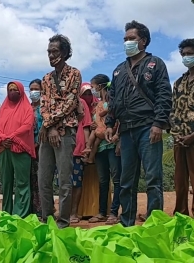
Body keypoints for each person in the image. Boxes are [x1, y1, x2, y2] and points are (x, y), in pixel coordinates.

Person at [105, 20, 172, 227]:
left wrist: (159, 123)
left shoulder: (156, 64)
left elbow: (163, 95)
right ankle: (127, 223)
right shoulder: (118, 70)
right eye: (125, 39)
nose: (127, 42)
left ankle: (154, 224)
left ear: (143, 41)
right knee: (126, 181)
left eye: (131, 38)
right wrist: (109, 123)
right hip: (126, 131)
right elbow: (113, 100)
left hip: (148, 126)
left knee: (152, 177)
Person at [38, 34, 82, 228]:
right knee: (43, 178)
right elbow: (43, 104)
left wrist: (49, 125)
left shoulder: (75, 74)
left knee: (64, 179)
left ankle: (63, 221)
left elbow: (71, 103)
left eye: (54, 51)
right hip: (48, 132)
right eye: (49, 51)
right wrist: (49, 126)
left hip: (65, 132)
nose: (51, 55)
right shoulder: (46, 78)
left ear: (64, 52)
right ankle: (47, 217)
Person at [0, 81, 35, 217]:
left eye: (15, 89)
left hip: (20, 149)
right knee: (6, 183)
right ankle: (6, 213)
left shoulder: (27, 108)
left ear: (21, 91)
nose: (12, 92)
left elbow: (27, 125)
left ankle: (20, 215)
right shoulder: (3, 108)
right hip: (4, 149)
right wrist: (3, 138)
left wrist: (11, 137)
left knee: (22, 183)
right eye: (10, 89)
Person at [87, 75, 122, 225]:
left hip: (112, 144)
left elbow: (118, 121)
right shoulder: (98, 105)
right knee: (103, 181)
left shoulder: (112, 103)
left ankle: (114, 212)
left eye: (93, 86)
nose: (92, 89)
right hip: (100, 147)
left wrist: (117, 138)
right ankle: (102, 212)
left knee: (117, 180)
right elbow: (96, 123)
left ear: (100, 86)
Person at [170, 38, 194, 216]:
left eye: (190, 54)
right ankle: (181, 216)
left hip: (193, 138)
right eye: (184, 54)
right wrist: (176, 134)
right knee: (180, 182)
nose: (186, 57)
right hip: (179, 140)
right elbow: (173, 110)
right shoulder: (178, 83)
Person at [69, 83, 93, 223]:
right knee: (63, 182)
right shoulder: (60, 102)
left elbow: (85, 127)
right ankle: (64, 211)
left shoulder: (81, 102)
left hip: (78, 149)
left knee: (76, 182)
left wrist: (87, 147)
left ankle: (73, 213)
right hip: (63, 148)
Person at [29, 79, 43, 216]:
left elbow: (44, 126)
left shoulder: (44, 109)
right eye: (31, 89)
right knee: (30, 179)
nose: (33, 92)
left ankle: (42, 210)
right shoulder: (27, 108)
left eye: (36, 89)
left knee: (41, 179)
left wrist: (37, 143)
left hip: (41, 148)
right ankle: (31, 209)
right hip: (28, 149)